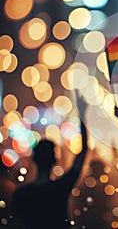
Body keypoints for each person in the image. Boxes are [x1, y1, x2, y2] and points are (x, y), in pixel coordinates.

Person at [12, 91, 88, 229]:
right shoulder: (60, 189)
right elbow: (83, 154)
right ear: (55, 161)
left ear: (34, 159)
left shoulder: (21, 195)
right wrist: (82, 116)